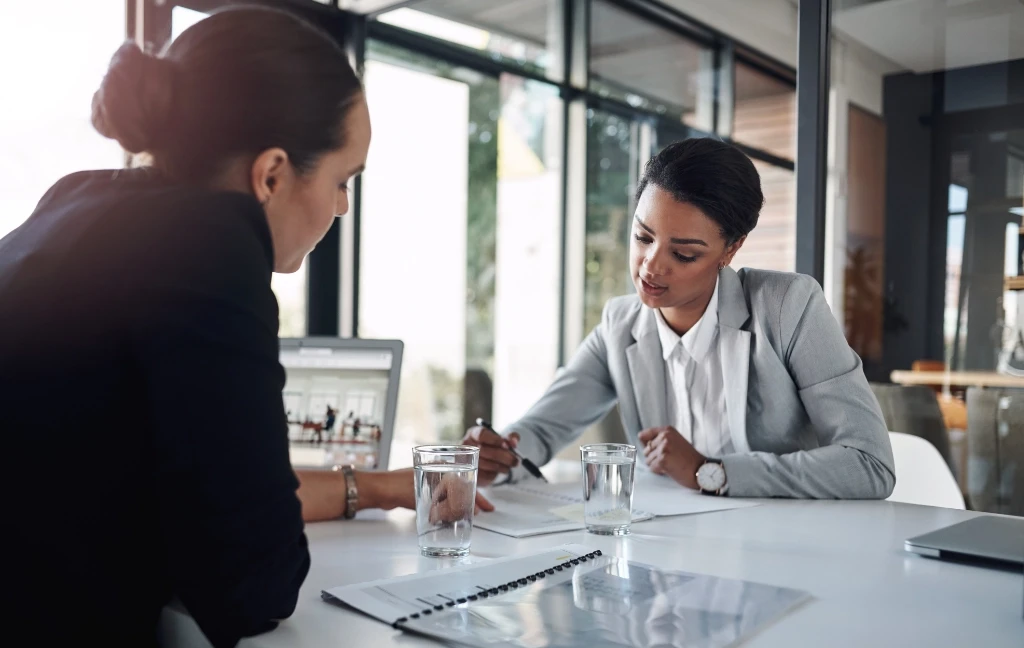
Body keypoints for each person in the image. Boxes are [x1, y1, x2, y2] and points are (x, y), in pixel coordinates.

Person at [0, 8, 490, 648]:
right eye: (343, 181)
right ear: (272, 175)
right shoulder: (207, 249)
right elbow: (251, 584)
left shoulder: (80, 199)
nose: (342, 206)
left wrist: (368, 488)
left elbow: (190, 488)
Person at [463, 138, 895, 500]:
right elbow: (544, 428)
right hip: (667, 548)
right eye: (642, 237)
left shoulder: (787, 307)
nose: (651, 267)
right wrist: (501, 454)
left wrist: (711, 471)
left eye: (684, 253)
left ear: (731, 249)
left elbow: (870, 463)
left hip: (782, 546)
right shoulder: (621, 323)